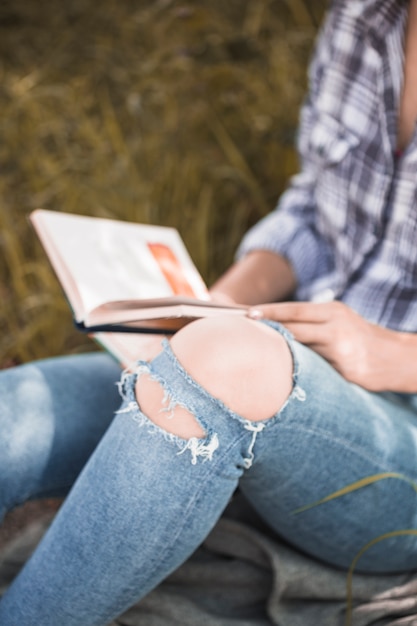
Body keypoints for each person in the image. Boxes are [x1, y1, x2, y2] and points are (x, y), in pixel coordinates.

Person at [1, 0, 417, 623]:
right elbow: (314, 211)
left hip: (395, 442)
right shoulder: (363, 18)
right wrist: (220, 301)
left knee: (223, 362)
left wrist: (399, 355)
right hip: (294, 369)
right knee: (12, 414)